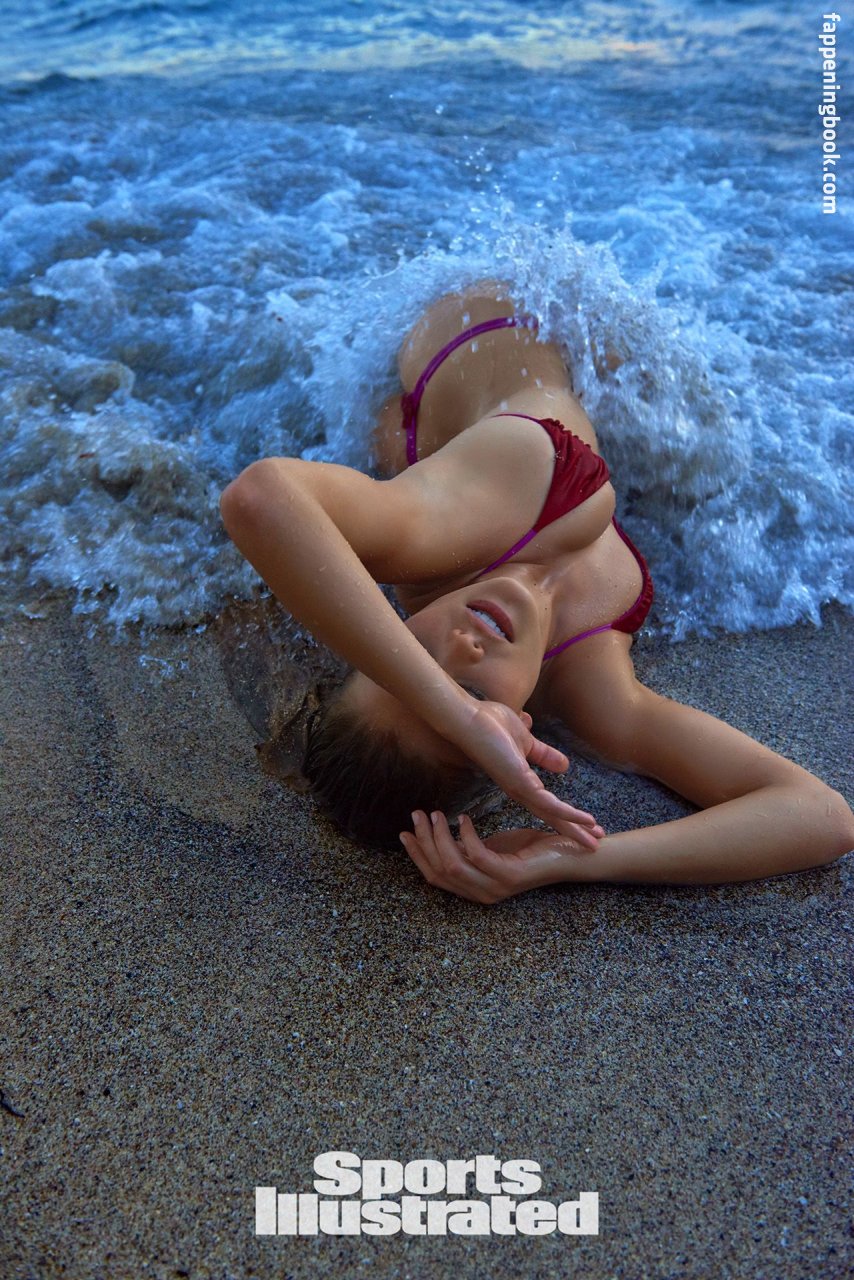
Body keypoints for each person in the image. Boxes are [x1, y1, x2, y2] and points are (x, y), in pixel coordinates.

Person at [219, 280, 854, 903]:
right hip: (466, 416)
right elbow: (820, 814)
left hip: (503, 301)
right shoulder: (589, 689)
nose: (461, 645)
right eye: (472, 694)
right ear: (520, 741)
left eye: (412, 660)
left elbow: (258, 497)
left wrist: (461, 713)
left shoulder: (436, 544)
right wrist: (572, 860)